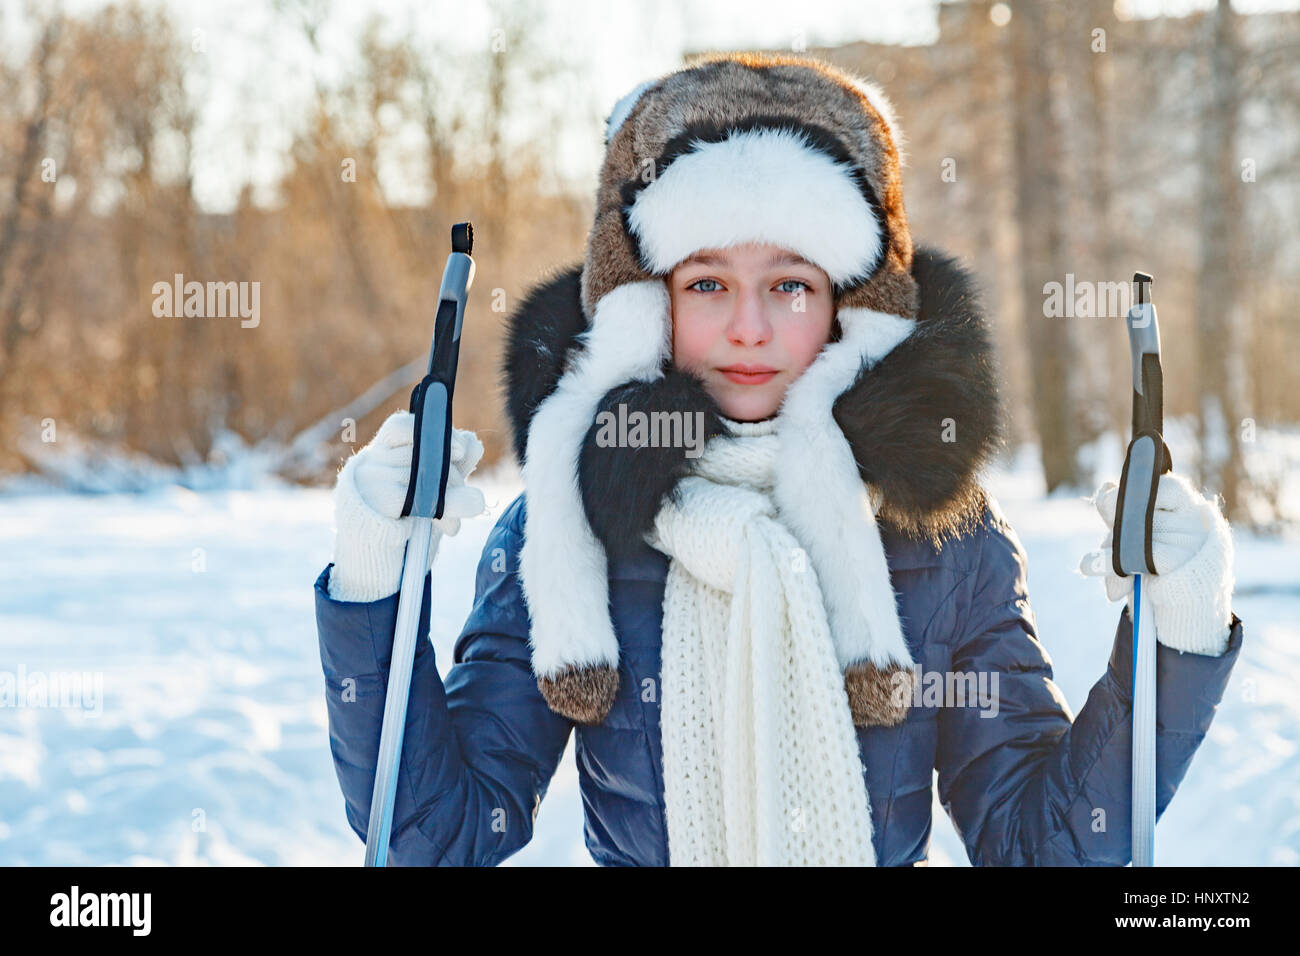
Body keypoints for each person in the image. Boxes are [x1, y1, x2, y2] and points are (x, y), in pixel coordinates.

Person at [314, 52, 1244, 866]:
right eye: (708, 282)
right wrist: (373, 581)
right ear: (648, 306)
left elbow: (1044, 844)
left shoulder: (938, 537)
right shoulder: (569, 528)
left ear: (850, 308)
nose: (750, 328)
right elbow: (434, 838)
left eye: (791, 285)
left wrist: (1178, 631)